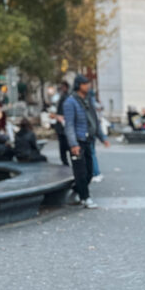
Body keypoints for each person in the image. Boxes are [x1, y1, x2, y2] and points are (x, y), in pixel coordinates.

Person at [63, 74, 109, 209]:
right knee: (80, 172)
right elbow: (69, 125)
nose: (88, 86)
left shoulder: (89, 100)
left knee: (89, 171)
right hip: (77, 141)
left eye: (88, 83)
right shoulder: (70, 102)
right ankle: (85, 198)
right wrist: (73, 144)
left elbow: (95, 120)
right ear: (78, 85)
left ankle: (77, 191)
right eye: (85, 84)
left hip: (88, 139)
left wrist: (102, 137)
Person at [52, 82, 70, 165]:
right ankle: (65, 160)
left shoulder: (65, 98)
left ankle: (65, 161)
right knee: (64, 145)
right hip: (62, 126)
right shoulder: (64, 97)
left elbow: (62, 114)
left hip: (63, 125)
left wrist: (57, 116)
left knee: (64, 145)